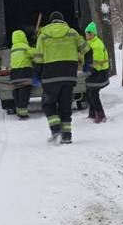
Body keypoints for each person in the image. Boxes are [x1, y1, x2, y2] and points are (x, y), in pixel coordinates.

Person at [33, 11, 91, 144]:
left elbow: (38, 58)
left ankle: (55, 129)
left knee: (48, 104)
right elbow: (88, 50)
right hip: (68, 76)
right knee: (65, 105)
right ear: (63, 20)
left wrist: (36, 74)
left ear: (51, 22)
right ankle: (67, 136)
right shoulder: (72, 33)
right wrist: (87, 65)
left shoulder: (43, 36)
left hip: (50, 76)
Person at [84, 21, 109, 123]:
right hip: (95, 73)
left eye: (89, 33)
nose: (87, 35)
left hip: (100, 73)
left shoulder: (96, 45)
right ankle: (92, 112)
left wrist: (88, 70)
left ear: (94, 34)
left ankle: (101, 114)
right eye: (86, 33)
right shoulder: (90, 43)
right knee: (88, 91)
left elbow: (97, 63)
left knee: (93, 93)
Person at [10, 29, 36, 119]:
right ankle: (23, 113)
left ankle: (18, 109)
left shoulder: (13, 48)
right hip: (24, 73)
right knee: (24, 93)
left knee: (16, 93)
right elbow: (33, 54)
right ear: (23, 37)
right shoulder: (25, 46)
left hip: (14, 74)